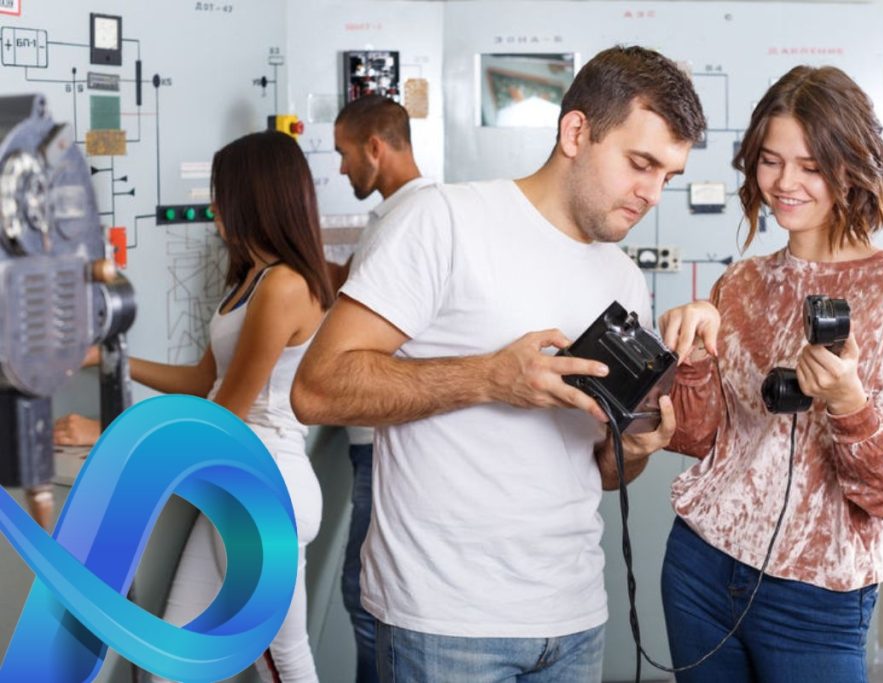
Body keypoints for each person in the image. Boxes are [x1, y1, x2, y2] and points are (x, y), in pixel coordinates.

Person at [290, 45, 705, 682]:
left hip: (573, 617)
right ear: (576, 132)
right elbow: (316, 389)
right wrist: (489, 377)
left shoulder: (623, 278)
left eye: (669, 176)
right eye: (641, 164)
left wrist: (639, 446)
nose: (652, 194)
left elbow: (600, 472)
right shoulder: (446, 221)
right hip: (445, 622)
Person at [648, 65, 883, 682]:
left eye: (810, 166)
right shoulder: (743, 282)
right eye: (771, 161)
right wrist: (695, 360)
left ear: (849, 167)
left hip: (816, 594)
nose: (785, 183)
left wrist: (847, 402)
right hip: (701, 566)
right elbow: (697, 440)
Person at [100, 131, 330, 682]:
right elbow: (207, 379)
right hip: (234, 487)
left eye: (220, 192)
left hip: (265, 491)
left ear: (253, 196)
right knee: (172, 662)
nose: (213, 207)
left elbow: (222, 414)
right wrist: (110, 358)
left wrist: (107, 436)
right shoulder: (253, 280)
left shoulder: (284, 287)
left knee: (283, 661)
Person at [331, 94, 432, 683]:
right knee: (366, 597)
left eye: (346, 154)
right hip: (368, 441)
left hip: (384, 443)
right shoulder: (389, 218)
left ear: (375, 147)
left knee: (369, 600)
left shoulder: (416, 218)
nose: (342, 168)